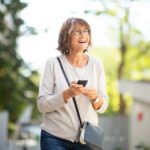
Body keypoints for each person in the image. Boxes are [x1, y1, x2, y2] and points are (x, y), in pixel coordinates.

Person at [37, 17, 108, 150]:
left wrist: (95, 98)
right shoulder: (53, 64)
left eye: (86, 31)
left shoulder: (96, 65)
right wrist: (68, 93)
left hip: (86, 140)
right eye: (77, 32)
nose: (83, 35)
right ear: (66, 37)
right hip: (54, 138)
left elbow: (103, 106)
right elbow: (42, 105)